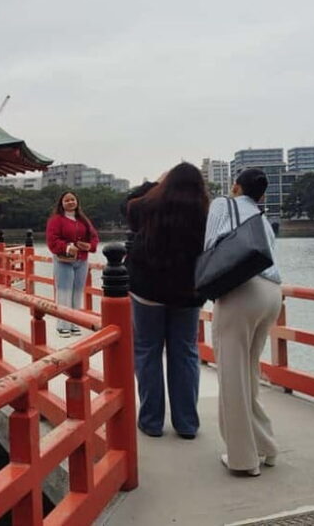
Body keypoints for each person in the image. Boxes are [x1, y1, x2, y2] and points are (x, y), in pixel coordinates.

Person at [204, 168, 282, 477]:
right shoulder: (262, 219)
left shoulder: (223, 204)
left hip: (242, 290)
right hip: (272, 293)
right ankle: (266, 445)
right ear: (261, 194)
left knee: (232, 376)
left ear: (235, 186)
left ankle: (243, 458)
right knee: (248, 373)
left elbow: (211, 245)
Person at [125, 163, 209, 439]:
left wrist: (152, 185)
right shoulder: (205, 213)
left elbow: (127, 205)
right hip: (188, 291)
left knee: (147, 351)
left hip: (148, 290)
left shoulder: (147, 207)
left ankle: (151, 421)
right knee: (184, 353)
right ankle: (186, 424)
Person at [45, 191, 100, 337]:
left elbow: (94, 237)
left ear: (77, 202)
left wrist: (89, 246)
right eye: (67, 200)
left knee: (77, 292)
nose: (70, 202)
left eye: (72, 199)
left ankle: (75, 322)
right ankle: (63, 325)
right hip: (64, 260)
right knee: (64, 292)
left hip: (81, 260)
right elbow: (52, 240)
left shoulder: (83, 220)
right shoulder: (56, 220)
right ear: (61, 203)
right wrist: (67, 247)